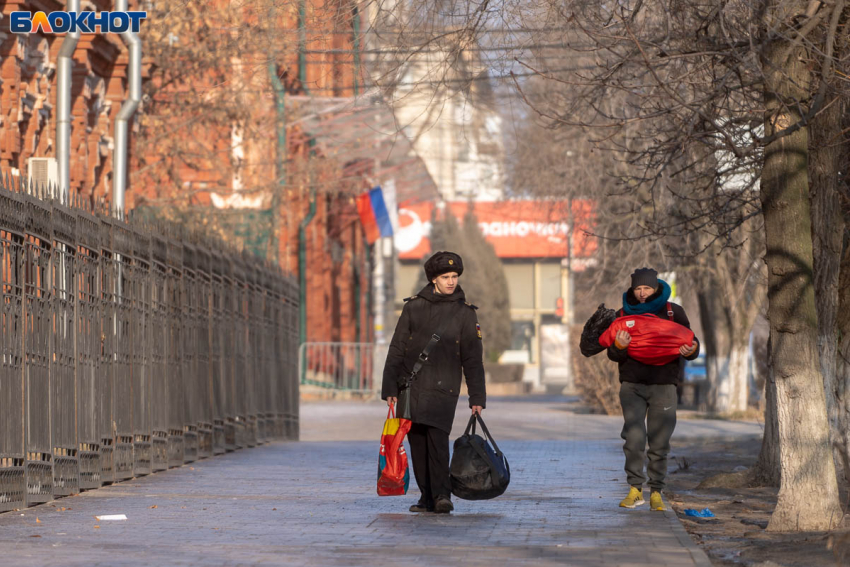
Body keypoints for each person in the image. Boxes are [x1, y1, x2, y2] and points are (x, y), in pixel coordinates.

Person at [382, 251, 486, 514]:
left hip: (445, 387)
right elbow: (396, 349)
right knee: (417, 443)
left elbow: (473, 359)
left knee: (438, 440)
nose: (451, 281)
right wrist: (390, 388)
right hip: (412, 386)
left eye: (454, 276)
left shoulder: (465, 313)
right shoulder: (413, 307)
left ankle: (442, 495)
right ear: (434, 279)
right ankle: (426, 497)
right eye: (445, 277)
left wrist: (477, 398)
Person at [608, 267, 700, 511]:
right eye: (638, 288)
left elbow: (692, 342)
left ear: (656, 287)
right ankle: (635, 490)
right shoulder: (622, 314)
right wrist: (619, 346)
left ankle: (657, 492)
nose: (642, 293)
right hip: (632, 385)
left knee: (659, 442)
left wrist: (692, 351)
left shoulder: (673, 312)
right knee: (634, 439)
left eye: (647, 288)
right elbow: (612, 353)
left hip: (664, 386)